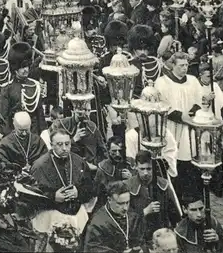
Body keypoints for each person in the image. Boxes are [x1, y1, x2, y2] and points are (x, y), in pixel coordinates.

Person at [30, 128, 95, 251]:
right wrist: (53, 197)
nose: (64, 148)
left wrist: (78, 193)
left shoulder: (79, 161)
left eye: (67, 144)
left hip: (76, 216)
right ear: (51, 145)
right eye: (60, 144)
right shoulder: (39, 165)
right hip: (50, 217)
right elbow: (32, 197)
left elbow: (90, 188)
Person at [154, 52, 203, 200]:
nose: (185, 68)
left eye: (187, 65)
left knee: (188, 160)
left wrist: (192, 113)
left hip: (189, 125)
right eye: (181, 65)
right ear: (172, 65)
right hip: (171, 124)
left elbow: (199, 99)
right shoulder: (162, 82)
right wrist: (180, 116)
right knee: (172, 158)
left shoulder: (193, 81)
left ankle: (189, 195)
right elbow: (161, 104)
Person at [127, 150, 181, 242]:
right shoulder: (128, 186)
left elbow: (174, 214)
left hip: (160, 234)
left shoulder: (163, 185)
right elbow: (125, 217)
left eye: (149, 169)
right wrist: (144, 212)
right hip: (138, 236)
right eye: (142, 169)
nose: (145, 173)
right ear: (136, 167)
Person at [83, 181, 146, 252]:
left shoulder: (133, 215)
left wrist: (142, 249)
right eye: (120, 203)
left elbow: (144, 241)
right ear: (109, 200)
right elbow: (92, 249)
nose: (125, 208)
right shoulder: (97, 222)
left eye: (127, 202)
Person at [0, 42, 47, 135]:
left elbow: (40, 115)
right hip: (14, 133)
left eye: (27, 66)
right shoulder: (7, 88)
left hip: (33, 133)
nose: (26, 70)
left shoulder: (35, 85)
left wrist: (43, 134)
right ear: (15, 69)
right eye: (22, 67)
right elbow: (4, 117)